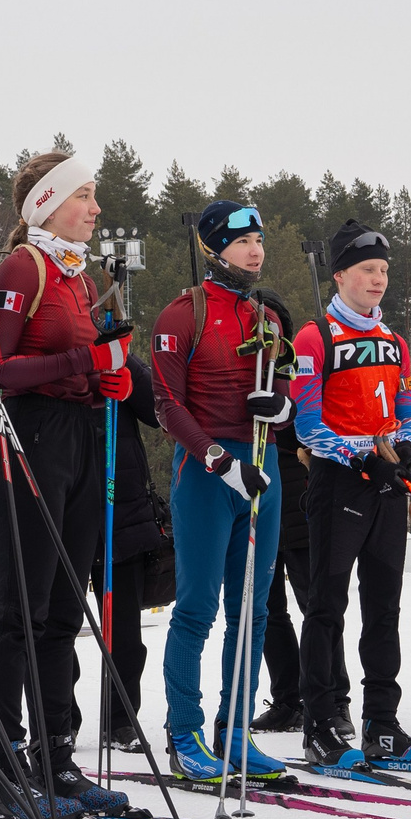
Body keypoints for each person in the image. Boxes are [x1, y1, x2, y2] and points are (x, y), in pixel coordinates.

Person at [0, 151, 132, 817]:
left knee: (66, 610)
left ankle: (54, 756)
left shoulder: (80, 277)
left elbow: (89, 361)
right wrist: (82, 359)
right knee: (20, 612)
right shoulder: (24, 267)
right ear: (46, 203)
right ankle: (4, 772)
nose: (96, 209)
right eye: (83, 196)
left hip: (78, 436)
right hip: (27, 439)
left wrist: (109, 377)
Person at [151, 200, 298, 781]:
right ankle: (184, 733)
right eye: (241, 241)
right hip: (208, 471)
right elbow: (167, 407)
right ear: (214, 248)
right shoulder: (182, 314)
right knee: (197, 608)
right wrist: (218, 461)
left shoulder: (268, 316)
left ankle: (235, 731)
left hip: (263, 468)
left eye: (259, 239)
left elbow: (285, 395)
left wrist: (280, 405)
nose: (255, 250)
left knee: (253, 609)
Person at [291, 219, 411, 764]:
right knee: (326, 606)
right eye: (367, 270)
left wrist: (408, 448)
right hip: (340, 480)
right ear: (341, 275)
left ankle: (382, 723)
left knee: (384, 608)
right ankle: (320, 721)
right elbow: (306, 421)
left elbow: (408, 410)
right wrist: (360, 456)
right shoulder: (314, 336)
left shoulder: (392, 341)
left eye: (384, 271)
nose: (378, 280)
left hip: (387, 483)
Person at [94, 337, 172, 751]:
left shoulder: (114, 348)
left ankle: (120, 719)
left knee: (123, 629)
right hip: (60, 498)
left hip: (119, 506)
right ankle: (58, 720)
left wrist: (127, 371)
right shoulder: (45, 347)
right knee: (56, 621)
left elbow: (157, 409)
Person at [249, 443, 315, 732]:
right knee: (267, 609)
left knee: (317, 609)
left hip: (301, 500)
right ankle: (288, 701)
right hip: (256, 498)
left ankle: (333, 701)